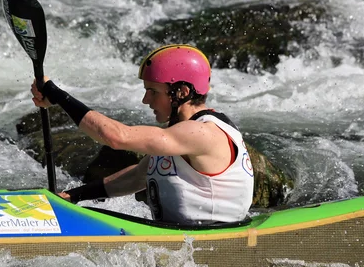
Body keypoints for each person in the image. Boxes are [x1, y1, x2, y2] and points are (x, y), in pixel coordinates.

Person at [31, 44, 254, 225]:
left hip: (210, 242)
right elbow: (138, 175)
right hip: (182, 238)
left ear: (182, 93)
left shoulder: (202, 133)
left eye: (153, 91)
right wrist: (73, 196)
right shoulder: (184, 134)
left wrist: (58, 96)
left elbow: (117, 137)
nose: (145, 100)